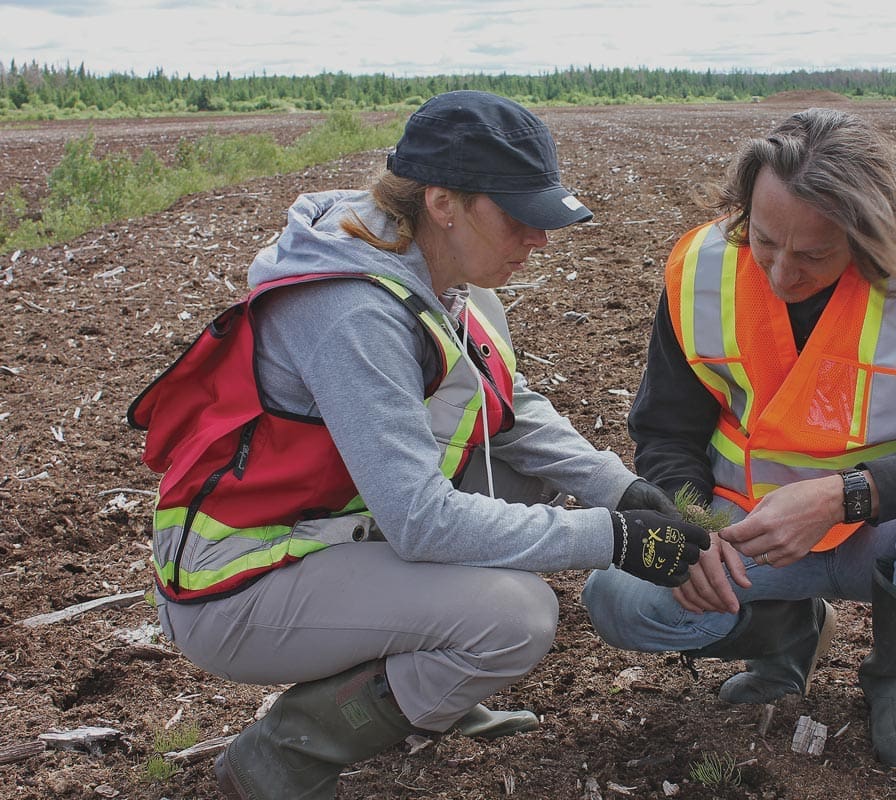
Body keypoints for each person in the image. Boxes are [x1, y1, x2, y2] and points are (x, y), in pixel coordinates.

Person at [127, 90, 709, 800]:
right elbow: (422, 520)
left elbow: (506, 406)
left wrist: (619, 489)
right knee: (514, 618)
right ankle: (284, 755)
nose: (540, 238)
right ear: (442, 202)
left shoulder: (428, 269)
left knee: (524, 487)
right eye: (520, 216)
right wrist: (612, 538)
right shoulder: (352, 312)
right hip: (239, 580)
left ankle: (425, 685)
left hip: (324, 531)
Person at [581, 107, 896, 777]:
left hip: (884, 531)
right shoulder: (702, 269)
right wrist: (692, 531)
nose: (782, 273)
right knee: (619, 597)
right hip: (747, 533)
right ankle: (787, 634)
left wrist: (844, 497)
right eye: (765, 241)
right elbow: (667, 430)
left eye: (814, 254)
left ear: (867, 232)